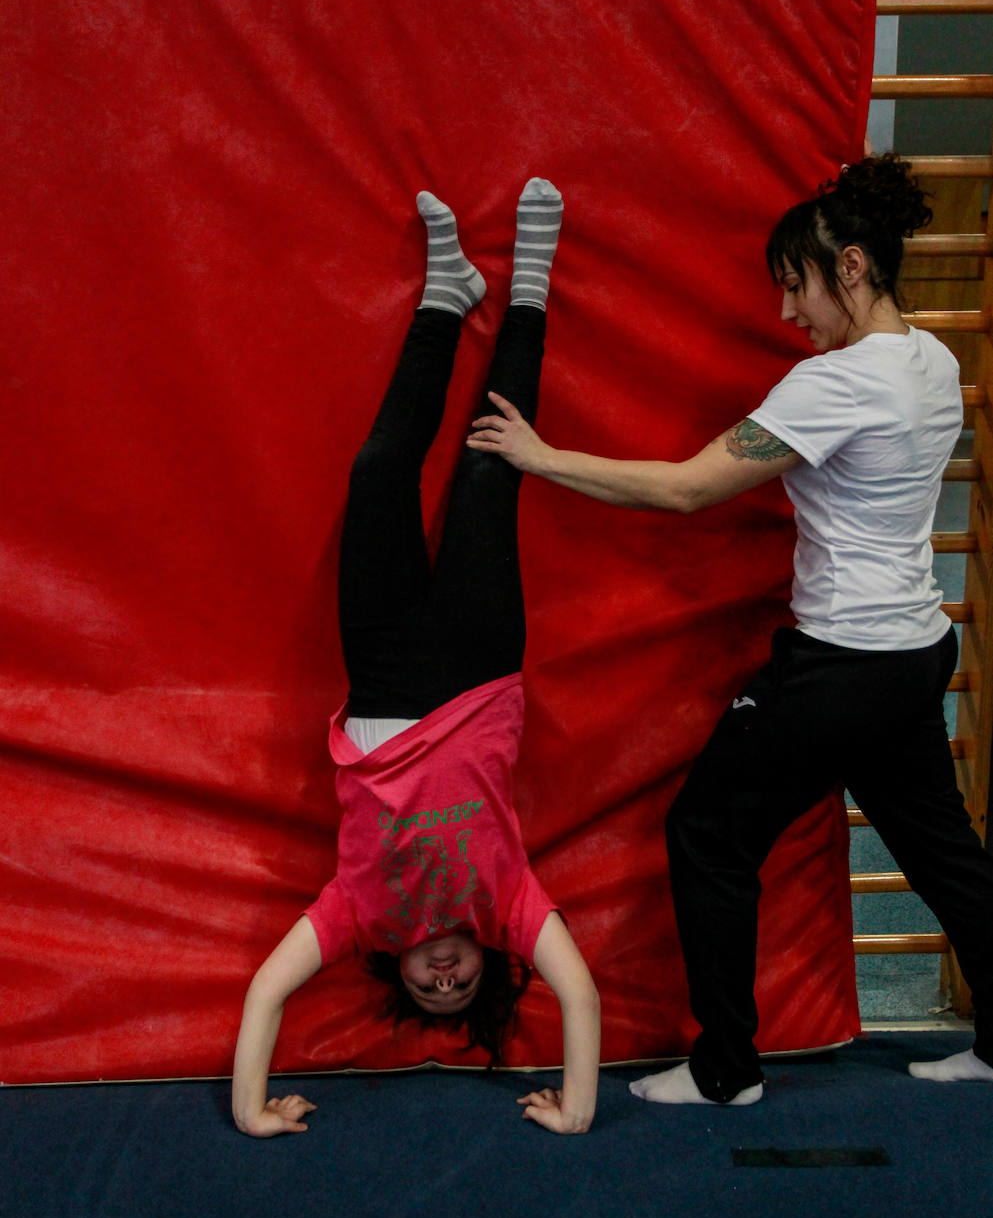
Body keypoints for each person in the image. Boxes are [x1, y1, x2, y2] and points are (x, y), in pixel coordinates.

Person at [467, 153, 993, 1105]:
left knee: (706, 831)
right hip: (913, 654)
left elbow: (684, 490)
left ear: (851, 269)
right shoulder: (934, 359)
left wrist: (540, 457)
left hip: (840, 665)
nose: (788, 314)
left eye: (796, 286)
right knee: (947, 858)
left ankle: (724, 1071)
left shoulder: (833, 384)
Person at [232, 181, 600, 1138]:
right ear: (485, 963)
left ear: (395, 967)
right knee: (488, 469)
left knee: (376, 474)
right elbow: (582, 996)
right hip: (478, 678)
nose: (444, 977)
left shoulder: (356, 912)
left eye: (428, 989)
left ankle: (445, 298)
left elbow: (267, 993)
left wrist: (252, 1111)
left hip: (385, 679)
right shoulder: (507, 903)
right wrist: (573, 1106)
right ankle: (528, 287)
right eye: (460, 987)